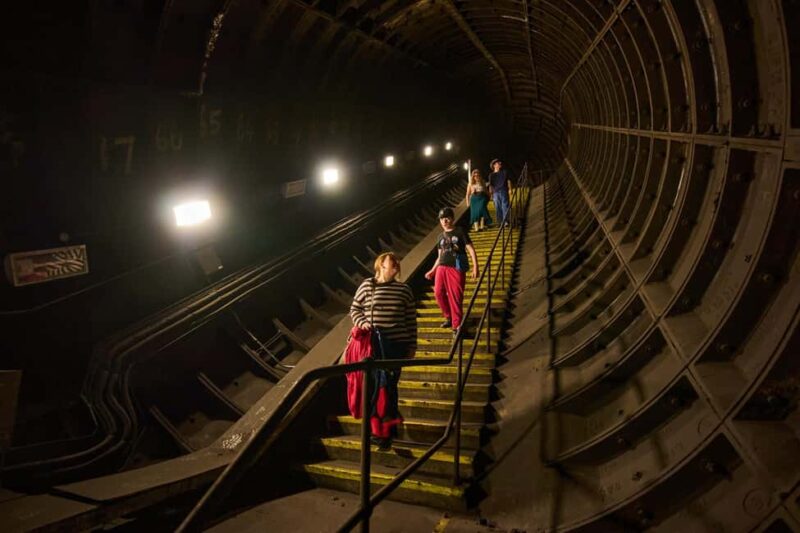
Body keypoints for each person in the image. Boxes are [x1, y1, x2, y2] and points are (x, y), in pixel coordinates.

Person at [349, 252, 417, 450]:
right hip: (374, 345)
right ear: (381, 265)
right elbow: (354, 309)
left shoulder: (404, 289)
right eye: (391, 260)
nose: (396, 263)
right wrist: (363, 323)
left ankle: (386, 428)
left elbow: (411, 320)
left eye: (397, 261)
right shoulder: (368, 285)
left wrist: (412, 345)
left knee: (388, 388)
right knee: (375, 389)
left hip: (396, 345)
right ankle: (381, 431)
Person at [424, 208, 479, 334]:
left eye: (447, 217)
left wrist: (475, 266)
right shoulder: (439, 237)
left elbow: (470, 248)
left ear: (452, 219)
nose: (445, 220)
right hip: (441, 268)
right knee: (438, 293)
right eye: (442, 218)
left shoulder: (460, 231)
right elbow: (440, 256)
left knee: (455, 297)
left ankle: (457, 325)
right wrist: (432, 270)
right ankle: (449, 316)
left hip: (456, 267)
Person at [487, 158, 513, 226]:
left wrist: (510, 189)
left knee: (505, 206)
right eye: (498, 163)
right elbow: (491, 185)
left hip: (504, 190)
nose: (500, 164)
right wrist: (491, 194)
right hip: (495, 192)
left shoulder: (504, 172)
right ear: (494, 165)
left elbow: (508, 181)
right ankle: (500, 221)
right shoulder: (491, 175)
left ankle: (506, 221)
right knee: (498, 207)